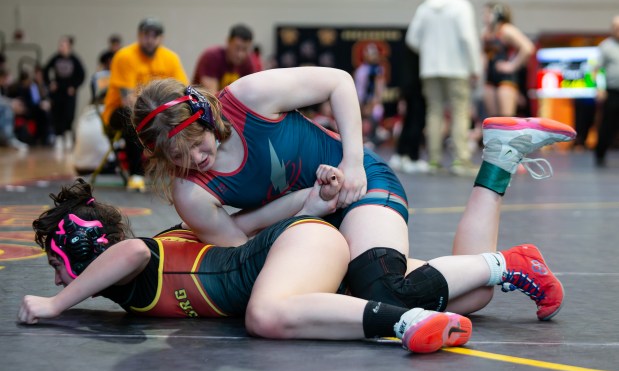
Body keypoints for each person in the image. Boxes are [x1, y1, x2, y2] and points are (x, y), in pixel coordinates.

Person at [131, 67, 575, 321]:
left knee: (386, 290)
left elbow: (339, 82)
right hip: (310, 226)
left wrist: (353, 162)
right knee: (473, 295)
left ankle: (512, 263)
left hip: (361, 188)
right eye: (177, 156)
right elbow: (240, 246)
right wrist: (305, 205)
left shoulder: (247, 97)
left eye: (195, 143)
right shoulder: (189, 192)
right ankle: (498, 161)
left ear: (205, 114)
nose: (195, 159)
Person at [18, 177, 473, 354]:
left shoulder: (140, 255)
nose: (58, 277)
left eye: (59, 265)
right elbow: (247, 223)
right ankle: (502, 267)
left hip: (297, 246)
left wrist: (56, 304)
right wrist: (310, 201)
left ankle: (407, 323)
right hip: (301, 256)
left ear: (85, 253)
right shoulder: (173, 239)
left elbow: (130, 253)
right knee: (452, 290)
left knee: (264, 317)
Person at [405, 0, 482, 176]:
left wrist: (428, 51)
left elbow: (411, 38)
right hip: (456, 68)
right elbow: (468, 38)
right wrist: (475, 67)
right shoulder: (461, 5)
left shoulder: (425, 7)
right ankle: (460, 160)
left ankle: (434, 160)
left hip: (429, 69)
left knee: (434, 112)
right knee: (459, 112)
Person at [103, 17, 188, 192]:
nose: (149, 39)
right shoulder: (124, 56)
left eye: (154, 35)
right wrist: (156, 115)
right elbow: (128, 99)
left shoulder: (171, 58)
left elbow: (182, 91)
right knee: (131, 117)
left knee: (184, 114)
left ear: (161, 38)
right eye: (145, 35)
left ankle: (183, 169)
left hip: (159, 111)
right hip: (119, 111)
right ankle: (136, 174)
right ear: (139, 36)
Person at [481, 2, 535, 118]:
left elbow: (528, 47)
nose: (484, 17)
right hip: (490, 78)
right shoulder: (485, 33)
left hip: (506, 79)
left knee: (506, 120)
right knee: (492, 120)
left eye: (487, 14)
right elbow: (484, 54)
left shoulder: (506, 30)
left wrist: (512, 65)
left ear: (497, 15)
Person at [388, 46, 429, 174]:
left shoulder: (412, 43)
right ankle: (412, 158)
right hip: (415, 83)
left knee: (410, 119)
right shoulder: (419, 45)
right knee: (416, 120)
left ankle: (401, 154)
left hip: (410, 82)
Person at [43, 35, 86, 150]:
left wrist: (74, 87)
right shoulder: (56, 58)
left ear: (69, 46)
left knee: (69, 114)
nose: (61, 47)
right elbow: (45, 70)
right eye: (60, 45)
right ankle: (58, 137)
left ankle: (67, 135)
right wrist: (50, 83)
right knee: (57, 114)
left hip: (69, 93)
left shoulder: (75, 60)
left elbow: (82, 75)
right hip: (57, 92)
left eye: (63, 45)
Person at [192, 23, 256, 93]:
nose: (240, 54)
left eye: (245, 49)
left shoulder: (247, 62)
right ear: (228, 41)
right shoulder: (212, 57)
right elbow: (212, 96)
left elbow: (251, 92)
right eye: (237, 48)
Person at [594, 15, 619, 168]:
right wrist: (600, 88)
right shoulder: (606, 46)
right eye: (616, 27)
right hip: (613, 92)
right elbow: (597, 70)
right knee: (608, 125)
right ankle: (600, 154)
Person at [353, 43, 387, 149]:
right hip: (361, 103)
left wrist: (373, 103)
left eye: (375, 54)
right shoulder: (361, 71)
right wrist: (362, 106)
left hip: (373, 104)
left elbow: (379, 91)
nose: (373, 57)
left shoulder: (379, 70)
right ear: (365, 55)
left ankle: (372, 137)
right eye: (371, 54)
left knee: (378, 110)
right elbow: (359, 91)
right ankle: (362, 138)